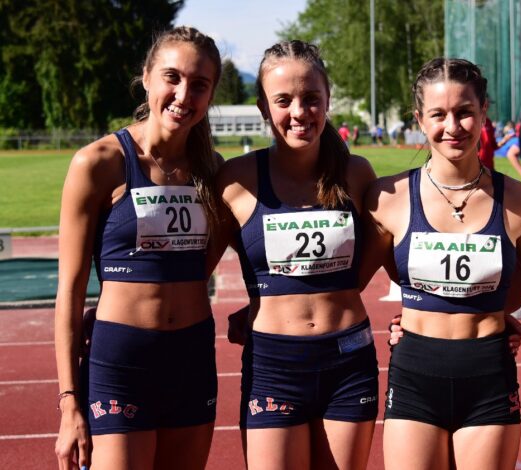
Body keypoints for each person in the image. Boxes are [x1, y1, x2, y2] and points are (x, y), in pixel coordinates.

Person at [363, 58, 521, 470]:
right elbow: (347, 283)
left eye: (465, 112)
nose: (453, 126)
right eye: (438, 114)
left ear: (484, 113)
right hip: (415, 374)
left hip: (489, 375)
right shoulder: (387, 198)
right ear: (419, 119)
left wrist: (500, 309)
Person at [54, 26, 223, 470]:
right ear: (146, 77)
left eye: (199, 84)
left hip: (192, 357)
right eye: (172, 77)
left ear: (211, 94)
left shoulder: (214, 171)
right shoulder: (98, 163)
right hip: (122, 360)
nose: (183, 95)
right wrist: (69, 401)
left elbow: (216, 261)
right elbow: (70, 290)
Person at [217, 40, 379, 470]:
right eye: (283, 100)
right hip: (273, 365)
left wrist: (484, 312)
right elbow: (192, 263)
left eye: (311, 98)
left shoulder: (357, 174)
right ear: (262, 107)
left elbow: (393, 249)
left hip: (349, 362)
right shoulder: (236, 180)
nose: (299, 112)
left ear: (327, 100)